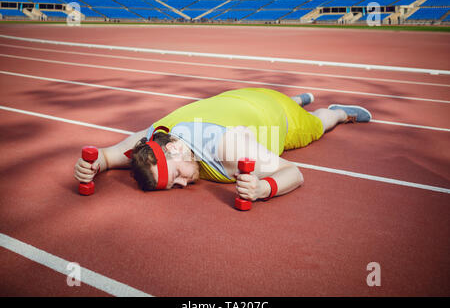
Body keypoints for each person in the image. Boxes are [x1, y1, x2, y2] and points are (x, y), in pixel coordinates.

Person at [74, 88, 371, 202]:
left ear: (175, 149)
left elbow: (294, 172)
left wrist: (264, 188)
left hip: (277, 116)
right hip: (239, 97)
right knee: (280, 101)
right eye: (174, 183)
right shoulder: (157, 135)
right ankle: (295, 98)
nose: (182, 183)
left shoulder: (227, 147)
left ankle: (338, 111)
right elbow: (107, 156)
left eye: (176, 175)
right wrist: (90, 167)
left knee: (317, 125)